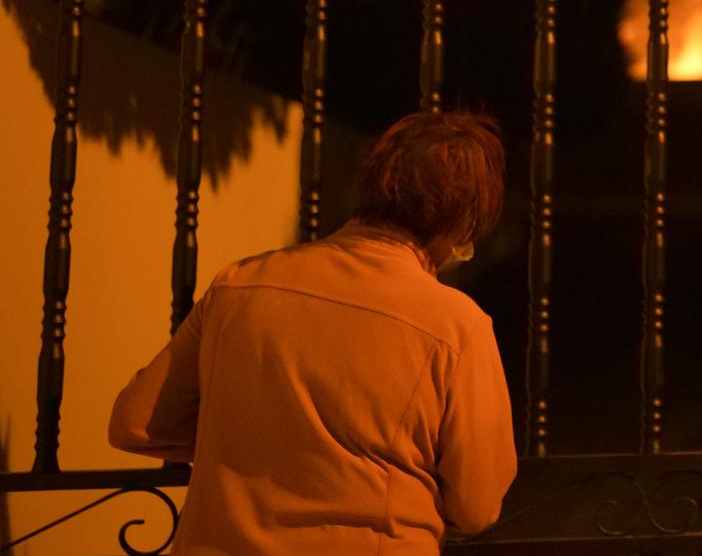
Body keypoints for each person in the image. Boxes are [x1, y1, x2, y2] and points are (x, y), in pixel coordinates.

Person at [109, 111, 518, 555]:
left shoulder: (240, 285)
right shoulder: (456, 325)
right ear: (459, 224)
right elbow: (478, 505)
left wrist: (251, 441)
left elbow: (136, 423)